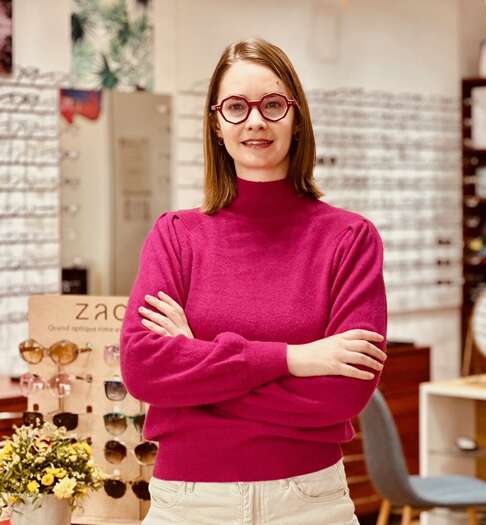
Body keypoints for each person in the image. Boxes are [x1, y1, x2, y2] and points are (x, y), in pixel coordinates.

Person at [120, 36, 388, 525]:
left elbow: (342, 395)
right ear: (216, 124)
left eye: (272, 105)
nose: (256, 121)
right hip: (189, 504)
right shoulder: (176, 235)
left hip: (309, 504)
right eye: (237, 107)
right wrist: (294, 358)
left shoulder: (350, 239)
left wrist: (197, 367)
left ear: (297, 118)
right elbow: (142, 368)